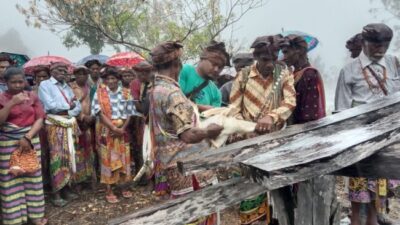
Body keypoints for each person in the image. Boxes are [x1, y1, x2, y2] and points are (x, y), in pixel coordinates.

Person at [149, 41, 222, 224]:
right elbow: (188, 135)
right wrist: (209, 132)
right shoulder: (173, 94)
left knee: (181, 212)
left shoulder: (155, 90)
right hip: (188, 167)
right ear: (177, 65)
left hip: (170, 163)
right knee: (197, 212)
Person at [335, 23, 400, 225]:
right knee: (358, 199)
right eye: (375, 45)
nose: (380, 49)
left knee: (377, 201)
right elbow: (340, 111)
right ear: (364, 43)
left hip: (387, 142)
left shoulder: (394, 63)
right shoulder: (349, 71)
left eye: (385, 45)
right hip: (360, 142)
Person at [229, 35, 296, 225]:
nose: (270, 64)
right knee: (250, 195)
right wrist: (247, 129)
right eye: (266, 60)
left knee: (278, 197)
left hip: (274, 144)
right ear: (256, 56)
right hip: (247, 145)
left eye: (274, 59)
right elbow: (233, 108)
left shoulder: (283, 75)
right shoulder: (242, 76)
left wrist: (272, 117)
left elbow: (290, 102)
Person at [280, 34, 339, 225]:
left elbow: (310, 117)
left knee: (310, 195)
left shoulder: (309, 75)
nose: (284, 56)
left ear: (300, 51)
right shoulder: (294, 74)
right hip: (297, 141)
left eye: (287, 51)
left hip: (307, 142)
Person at [0, 67, 47, 225]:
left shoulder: (32, 96)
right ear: (5, 82)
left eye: (21, 81)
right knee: (11, 179)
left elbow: (40, 118)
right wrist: (12, 103)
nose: (18, 85)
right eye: (13, 82)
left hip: (31, 139)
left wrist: (27, 137)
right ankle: (14, 219)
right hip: (7, 142)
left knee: (32, 176)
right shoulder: (1, 98)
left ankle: (35, 215)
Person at [38, 62, 82, 207]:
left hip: (68, 123)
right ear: (52, 70)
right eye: (59, 70)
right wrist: (69, 107)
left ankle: (66, 189)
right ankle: (56, 193)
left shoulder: (67, 87)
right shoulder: (45, 85)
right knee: (57, 157)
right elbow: (50, 106)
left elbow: (78, 107)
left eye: (65, 70)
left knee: (69, 156)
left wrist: (67, 110)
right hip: (54, 125)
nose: (63, 72)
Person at [91, 67, 136, 203]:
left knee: (124, 158)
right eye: (108, 79)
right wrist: (112, 127)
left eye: (113, 78)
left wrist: (122, 128)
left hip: (122, 130)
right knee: (107, 159)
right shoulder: (99, 93)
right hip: (107, 130)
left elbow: (130, 113)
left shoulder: (127, 93)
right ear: (105, 80)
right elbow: (98, 112)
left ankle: (123, 187)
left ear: (118, 79)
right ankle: (109, 189)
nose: (111, 81)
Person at [179, 41, 229, 111]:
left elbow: (213, 115)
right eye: (213, 64)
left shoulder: (216, 93)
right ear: (202, 59)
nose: (216, 69)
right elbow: (175, 99)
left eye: (220, 67)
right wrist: (202, 107)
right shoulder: (184, 71)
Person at [69, 66, 95, 188]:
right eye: (79, 74)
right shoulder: (71, 88)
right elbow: (72, 106)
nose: (82, 76)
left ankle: (88, 177)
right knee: (77, 150)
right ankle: (79, 180)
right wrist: (83, 117)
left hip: (89, 122)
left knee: (88, 149)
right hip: (77, 122)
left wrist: (91, 117)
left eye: (84, 74)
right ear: (75, 75)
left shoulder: (90, 87)